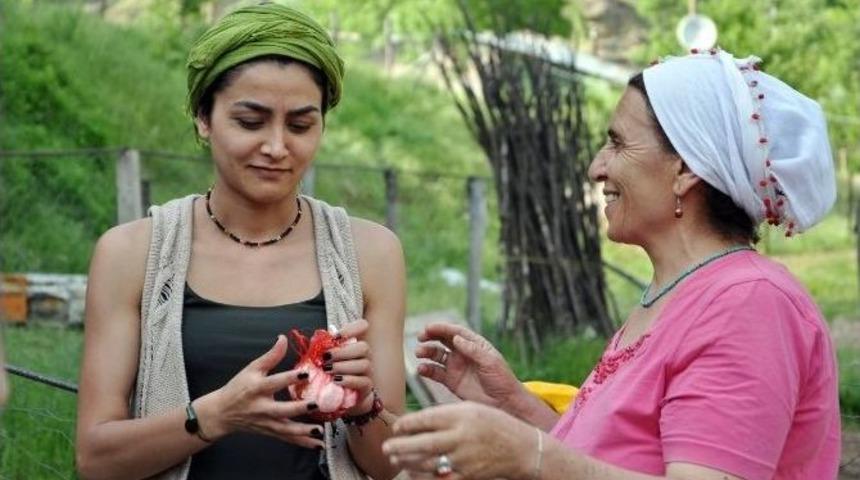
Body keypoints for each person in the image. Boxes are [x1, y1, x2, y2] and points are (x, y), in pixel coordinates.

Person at [382, 48, 841, 479]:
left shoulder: (749, 304)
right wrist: (514, 407)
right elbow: (619, 457)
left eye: (618, 144)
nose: (597, 167)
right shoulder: (680, 294)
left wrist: (529, 454)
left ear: (685, 170)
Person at [75, 4, 406, 480]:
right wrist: (214, 416)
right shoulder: (134, 256)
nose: (276, 147)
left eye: (300, 125)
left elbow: (389, 466)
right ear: (203, 119)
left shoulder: (369, 255)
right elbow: (96, 459)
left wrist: (361, 407)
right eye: (250, 122)